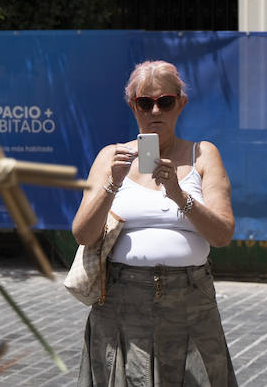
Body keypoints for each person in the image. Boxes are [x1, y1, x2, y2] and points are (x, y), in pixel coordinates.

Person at [72, 60, 238, 387]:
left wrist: (179, 195)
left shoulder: (202, 155)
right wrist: (113, 184)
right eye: (145, 103)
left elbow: (222, 234)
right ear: (132, 106)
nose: (155, 111)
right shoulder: (112, 157)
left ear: (181, 103)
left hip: (189, 299)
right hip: (122, 299)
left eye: (165, 101)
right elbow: (83, 234)